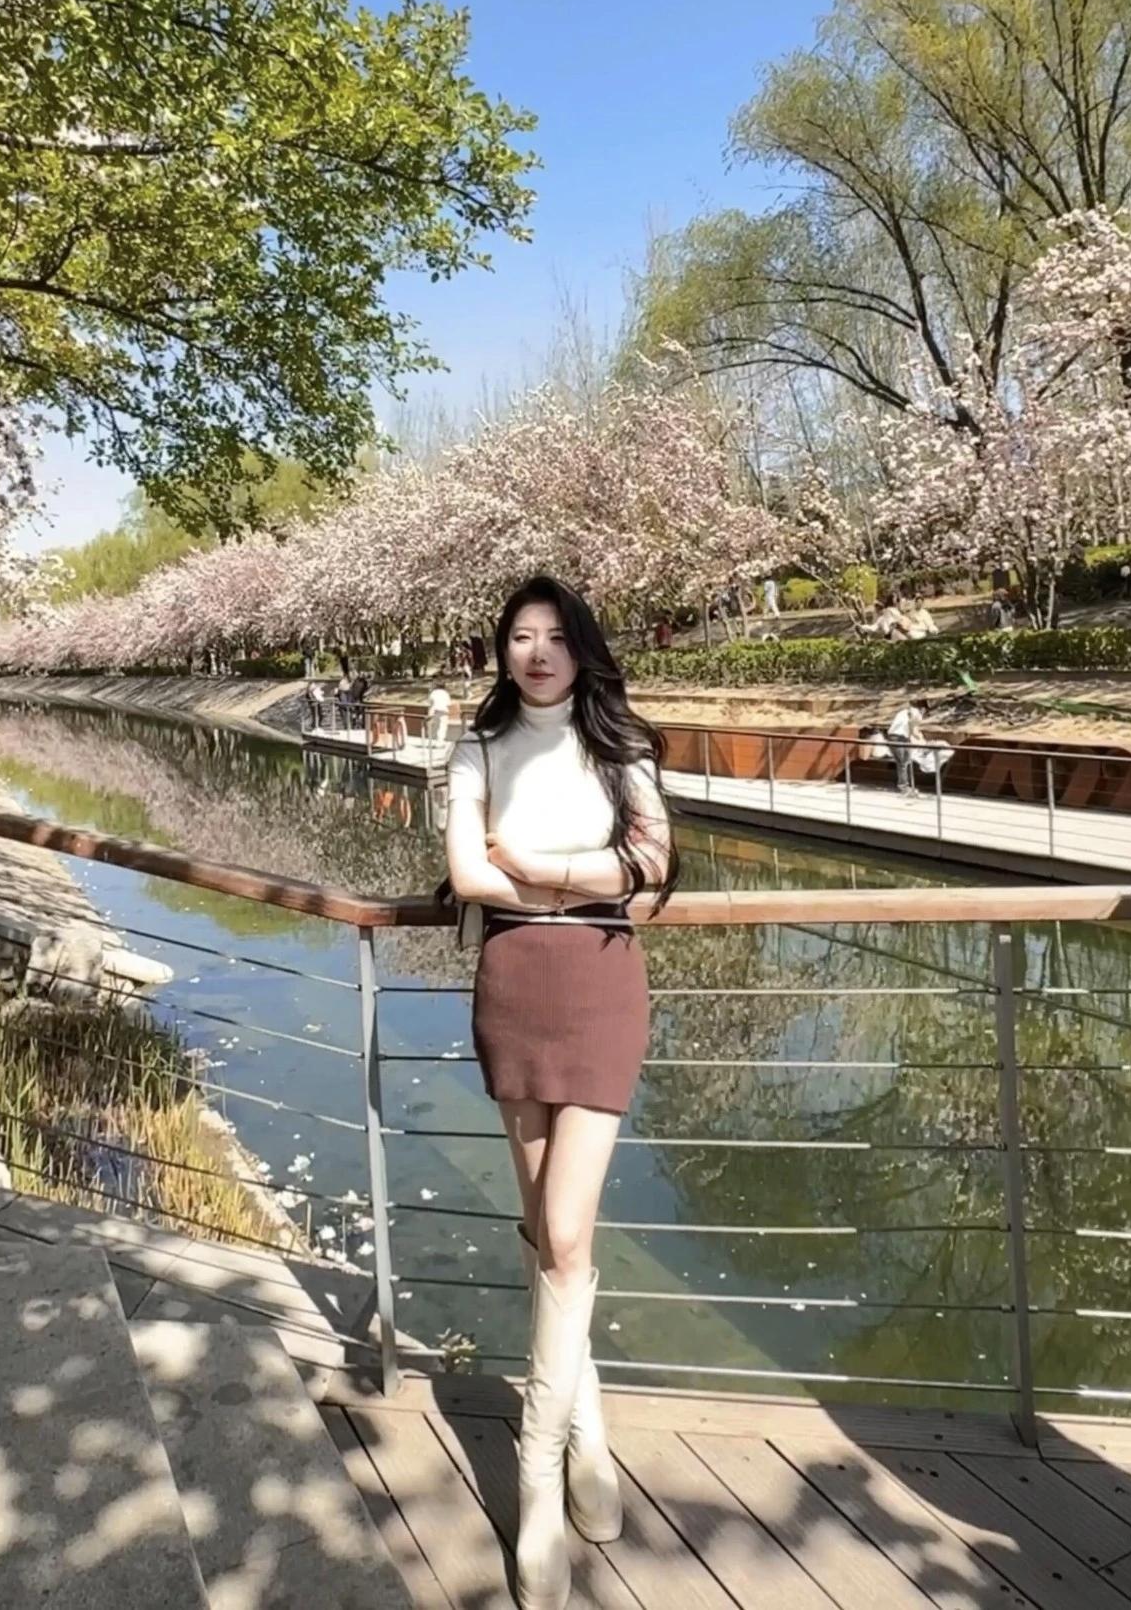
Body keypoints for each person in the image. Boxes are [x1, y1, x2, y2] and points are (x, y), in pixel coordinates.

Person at [444, 575, 676, 1608]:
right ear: (502, 651)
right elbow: (467, 876)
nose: (535, 652)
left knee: (569, 1229)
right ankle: (587, 1433)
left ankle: (535, 1479)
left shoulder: (620, 747)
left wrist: (540, 864)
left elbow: (652, 863)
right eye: (519, 636)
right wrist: (591, 873)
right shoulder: (477, 749)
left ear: (582, 646)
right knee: (545, 1229)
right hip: (513, 986)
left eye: (553, 635)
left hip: (600, 986)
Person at [885, 698, 927, 798]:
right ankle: (904, 787)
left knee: (904, 762)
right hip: (899, 738)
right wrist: (923, 740)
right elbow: (914, 731)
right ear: (923, 709)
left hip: (894, 737)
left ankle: (905, 785)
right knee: (903, 763)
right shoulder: (917, 714)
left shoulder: (903, 711)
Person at [426, 680, 452, 753]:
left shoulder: (433, 693)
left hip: (434, 711)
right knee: (442, 727)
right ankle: (440, 743)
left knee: (434, 727)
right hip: (443, 711)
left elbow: (430, 702)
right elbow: (448, 703)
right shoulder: (446, 693)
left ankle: (433, 742)